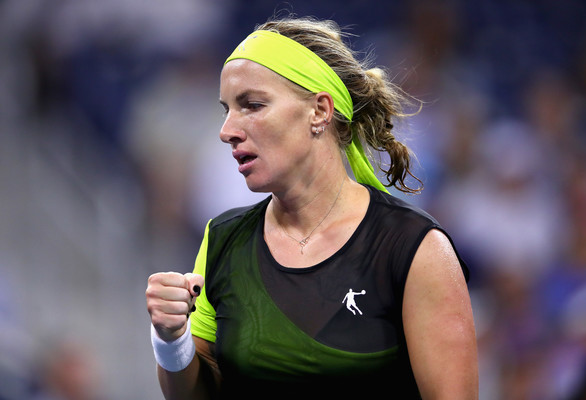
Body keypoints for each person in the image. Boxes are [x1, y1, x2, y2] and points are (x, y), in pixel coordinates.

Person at [145, 16, 478, 399]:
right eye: (226, 109)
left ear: (319, 111)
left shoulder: (415, 249)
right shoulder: (223, 239)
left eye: (251, 105)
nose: (227, 130)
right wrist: (172, 341)